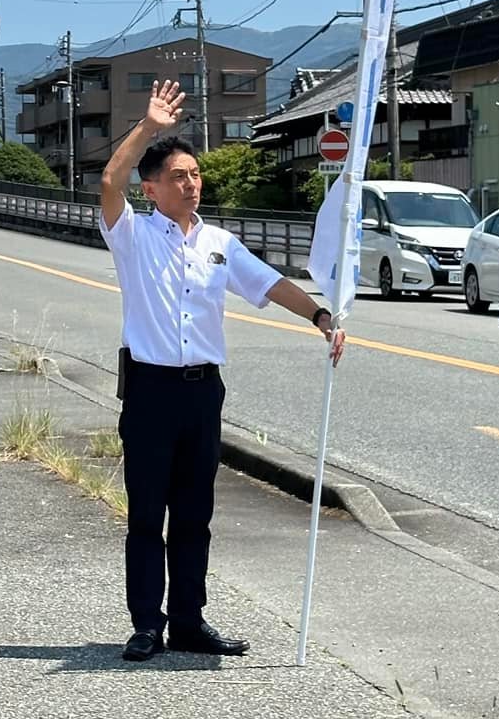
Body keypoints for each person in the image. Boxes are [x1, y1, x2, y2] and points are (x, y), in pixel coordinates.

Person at [98, 79, 344, 663]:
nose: (191, 183)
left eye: (195, 174)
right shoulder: (131, 235)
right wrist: (149, 127)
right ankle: (145, 625)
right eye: (178, 176)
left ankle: (188, 620)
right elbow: (110, 181)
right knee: (146, 515)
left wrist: (319, 314)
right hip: (151, 391)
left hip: (202, 392)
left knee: (194, 515)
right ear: (152, 188)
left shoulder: (219, 242)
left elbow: (268, 283)